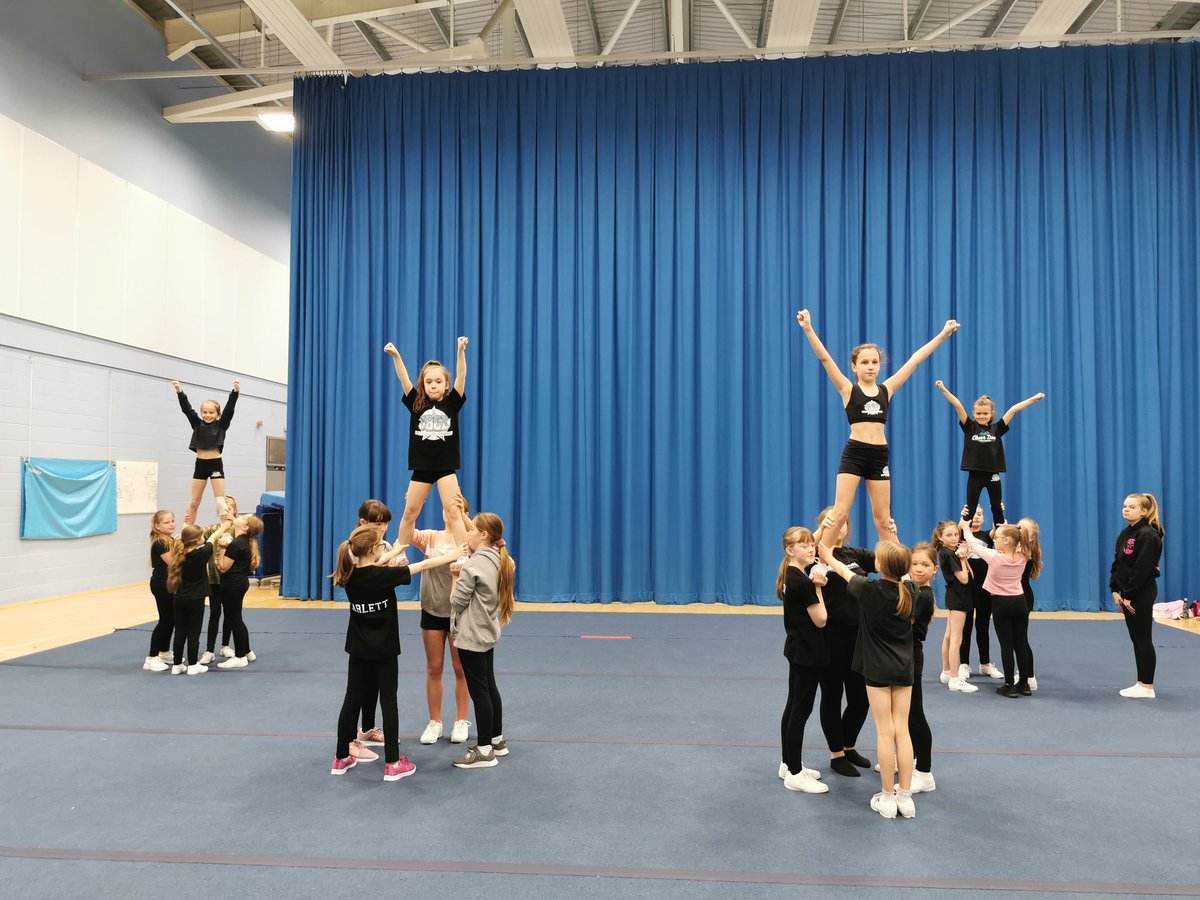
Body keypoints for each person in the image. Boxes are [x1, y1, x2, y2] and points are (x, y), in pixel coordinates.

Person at [796, 309, 958, 546]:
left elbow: (915, 359)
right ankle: (824, 558)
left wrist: (943, 335)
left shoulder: (887, 389)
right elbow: (825, 359)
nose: (870, 367)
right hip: (855, 453)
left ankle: (897, 573)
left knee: (883, 519)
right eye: (864, 362)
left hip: (879, 455)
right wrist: (809, 329)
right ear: (854, 367)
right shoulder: (848, 389)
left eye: (874, 362)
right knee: (840, 513)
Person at [329, 525, 459, 781]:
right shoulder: (383, 577)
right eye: (381, 546)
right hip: (384, 650)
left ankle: (341, 757)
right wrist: (455, 553)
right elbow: (423, 566)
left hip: (358, 649)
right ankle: (393, 762)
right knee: (388, 701)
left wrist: (397, 548)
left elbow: (375, 564)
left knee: (351, 700)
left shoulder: (349, 574)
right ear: (372, 550)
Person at [818, 539, 917, 819]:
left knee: (885, 732)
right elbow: (904, 569)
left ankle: (887, 797)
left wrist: (827, 554)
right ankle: (906, 798)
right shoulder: (910, 590)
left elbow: (843, 571)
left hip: (877, 669)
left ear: (881, 566)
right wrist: (893, 536)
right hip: (903, 669)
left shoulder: (870, 589)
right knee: (903, 731)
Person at [383, 338, 470, 551]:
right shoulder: (416, 403)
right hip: (421, 468)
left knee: (454, 512)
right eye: (428, 381)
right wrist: (396, 356)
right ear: (423, 383)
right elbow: (403, 378)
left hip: (445, 468)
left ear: (446, 384)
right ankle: (399, 551)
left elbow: (462, 375)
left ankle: (463, 554)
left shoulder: (452, 402)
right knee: (409, 512)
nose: (433, 385)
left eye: (438, 381)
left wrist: (460, 351)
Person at [811, 507, 875, 778]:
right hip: (831, 636)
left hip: (860, 636)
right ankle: (836, 754)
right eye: (835, 522)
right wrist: (822, 531)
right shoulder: (815, 553)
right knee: (832, 695)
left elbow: (887, 561)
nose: (841, 526)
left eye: (843, 522)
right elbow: (799, 548)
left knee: (861, 699)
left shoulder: (855, 554)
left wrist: (889, 532)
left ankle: (848, 745)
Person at [449, 512, 515, 770]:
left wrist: (456, 574)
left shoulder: (474, 565)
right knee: (489, 685)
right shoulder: (500, 559)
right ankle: (497, 740)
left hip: (471, 636)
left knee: (479, 691)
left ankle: (485, 750)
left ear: (484, 535)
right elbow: (488, 536)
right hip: (487, 632)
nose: (468, 534)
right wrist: (465, 518)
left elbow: (457, 602)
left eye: (472, 530)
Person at [934, 381, 1045, 527]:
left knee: (997, 509)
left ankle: (1003, 541)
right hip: (975, 475)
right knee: (970, 510)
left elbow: (1013, 410)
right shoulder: (969, 427)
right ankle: (960, 540)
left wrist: (1034, 398)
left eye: (985, 413)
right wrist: (943, 389)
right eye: (978, 413)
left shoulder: (997, 429)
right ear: (973, 413)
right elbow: (957, 405)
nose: (981, 416)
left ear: (991, 414)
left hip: (993, 474)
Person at [409, 495, 474, 746]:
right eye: (448, 509)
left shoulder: (471, 541)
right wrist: (414, 505)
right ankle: (435, 722)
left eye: (457, 510)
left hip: (460, 613)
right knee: (434, 668)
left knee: (461, 668)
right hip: (432, 610)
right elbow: (408, 532)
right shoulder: (431, 537)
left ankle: (461, 720)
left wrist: (463, 517)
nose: (451, 512)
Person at [776, 527, 829, 794]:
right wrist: (818, 587)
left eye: (812, 545)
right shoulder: (803, 581)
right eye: (805, 546)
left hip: (798, 648)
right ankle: (795, 773)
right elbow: (821, 619)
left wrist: (825, 525)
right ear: (790, 551)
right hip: (807, 652)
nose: (811, 549)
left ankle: (788, 762)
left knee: (792, 706)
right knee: (801, 710)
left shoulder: (791, 573)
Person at [960, 513, 1033, 697]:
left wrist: (965, 527)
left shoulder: (994, 557)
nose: (996, 540)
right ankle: (1024, 683)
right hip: (1020, 602)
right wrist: (1007, 527)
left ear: (1007, 541)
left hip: (1001, 603)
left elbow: (973, 544)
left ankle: (1009, 685)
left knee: (1006, 645)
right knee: (1021, 644)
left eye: (999, 538)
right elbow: (1021, 539)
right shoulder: (1023, 554)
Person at [1110, 493, 1164, 700]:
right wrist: (1115, 589)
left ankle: (1147, 685)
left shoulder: (1148, 535)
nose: (1126, 509)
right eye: (1125, 506)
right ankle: (1141, 682)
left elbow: (1142, 568)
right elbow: (1119, 563)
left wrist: (1130, 594)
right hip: (1127, 593)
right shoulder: (1126, 533)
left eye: (1132, 507)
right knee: (1136, 639)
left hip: (1140, 592)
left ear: (1144, 511)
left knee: (1142, 638)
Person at [172, 379, 239, 525]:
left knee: (220, 502)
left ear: (217, 414)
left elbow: (229, 410)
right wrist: (179, 392)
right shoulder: (197, 424)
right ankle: (187, 530)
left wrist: (235, 392)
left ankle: (225, 532)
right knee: (194, 502)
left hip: (215, 464)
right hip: (200, 464)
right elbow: (187, 410)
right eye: (205, 412)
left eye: (211, 412)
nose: (207, 415)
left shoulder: (221, 425)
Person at [166, 523, 229, 675]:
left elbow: (204, 539)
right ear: (196, 540)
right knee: (193, 632)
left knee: (180, 632)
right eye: (201, 536)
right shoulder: (202, 554)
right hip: (195, 600)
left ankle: (177, 665)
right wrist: (225, 526)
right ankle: (193, 664)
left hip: (179, 598)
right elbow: (213, 538)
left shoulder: (178, 552)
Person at [906, 543, 938, 794]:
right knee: (906, 714)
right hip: (904, 654)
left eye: (925, 564)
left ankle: (924, 771)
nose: (919, 568)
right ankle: (910, 757)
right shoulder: (915, 589)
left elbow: (904, 622)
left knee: (915, 714)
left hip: (910, 656)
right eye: (915, 563)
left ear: (934, 569)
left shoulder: (924, 595)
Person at [214, 515, 264, 670]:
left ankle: (240, 656)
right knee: (236, 617)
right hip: (239, 582)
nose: (239, 516)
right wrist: (230, 516)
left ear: (245, 527)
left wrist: (222, 547)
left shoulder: (236, 544)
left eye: (243, 517)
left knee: (234, 619)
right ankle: (247, 651)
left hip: (232, 584)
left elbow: (223, 567)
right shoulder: (245, 541)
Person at [933, 520, 977, 693]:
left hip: (956, 597)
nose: (953, 538)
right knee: (956, 639)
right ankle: (954, 678)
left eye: (955, 534)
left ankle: (946, 671)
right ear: (940, 537)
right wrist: (963, 558)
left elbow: (971, 574)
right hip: (959, 598)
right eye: (948, 535)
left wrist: (964, 558)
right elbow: (965, 579)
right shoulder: (950, 555)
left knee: (949, 636)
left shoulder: (950, 553)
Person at [959, 505, 1003, 680]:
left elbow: (997, 529)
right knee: (966, 626)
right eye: (973, 514)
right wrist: (963, 519)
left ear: (984, 518)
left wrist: (997, 512)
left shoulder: (987, 536)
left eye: (979, 514)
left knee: (983, 626)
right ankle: (964, 664)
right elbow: (955, 528)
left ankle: (985, 664)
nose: (976, 517)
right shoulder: (960, 534)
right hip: (965, 589)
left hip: (984, 589)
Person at [199, 496, 239, 665]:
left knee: (230, 613)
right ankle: (209, 650)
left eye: (228, 509)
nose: (225, 513)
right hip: (214, 579)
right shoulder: (213, 529)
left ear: (234, 511)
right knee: (215, 613)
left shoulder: (239, 530)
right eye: (222, 510)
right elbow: (200, 538)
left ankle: (225, 645)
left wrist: (234, 522)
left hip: (232, 580)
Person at [143, 510, 177, 672]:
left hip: (169, 583)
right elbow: (173, 563)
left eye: (172, 521)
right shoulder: (160, 542)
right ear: (157, 525)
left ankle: (164, 652)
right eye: (167, 522)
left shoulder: (169, 540)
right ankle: (151, 657)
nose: (171, 524)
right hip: (161, 584)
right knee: (165, 620)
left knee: (171, 619)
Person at [1017, 517, 1044, 692]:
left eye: (1024, 530)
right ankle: (1025, 673)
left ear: (1032, 537)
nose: (1019, 531)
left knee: (1020, 639)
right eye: (1018, 527)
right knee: (1018, 638)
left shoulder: (1025, 552)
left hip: (1022, 597)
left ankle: (1029, 675)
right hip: (1019, 595)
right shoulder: (1019, 548)